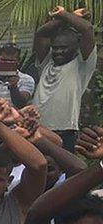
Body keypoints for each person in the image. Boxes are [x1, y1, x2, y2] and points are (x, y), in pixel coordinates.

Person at [32, 6, 97, 151]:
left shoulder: (82, 65)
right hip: (37, 130)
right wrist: (66, 17)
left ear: (75, 48)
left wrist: (62, 14)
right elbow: (41, 33)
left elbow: (87, 29)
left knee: (65, 173)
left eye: (64, 48)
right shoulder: (46, 63)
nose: (58, 51)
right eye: (55, 48)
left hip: (64, 134)